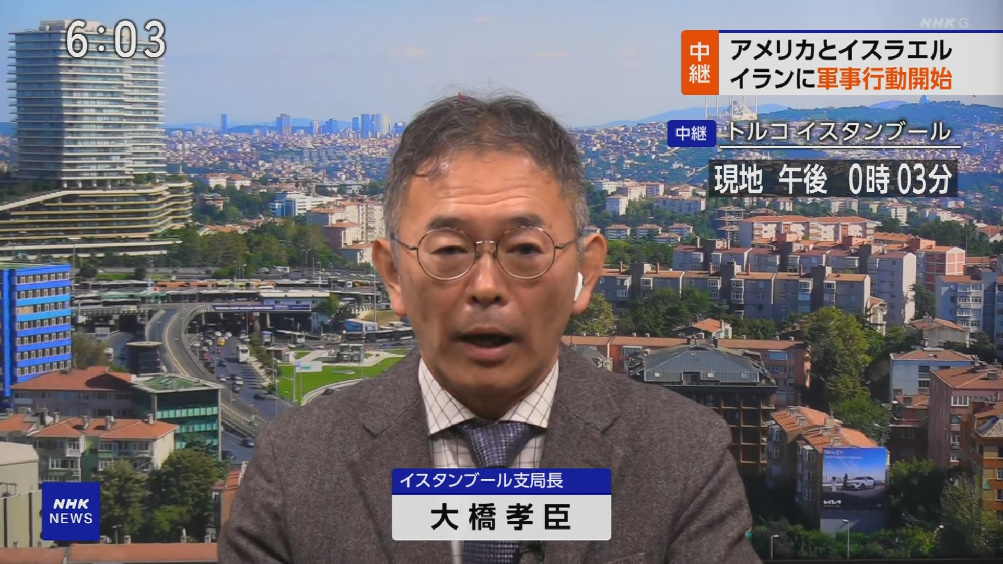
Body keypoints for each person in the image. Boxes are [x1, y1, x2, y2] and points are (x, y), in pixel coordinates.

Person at [219, 94, 760, 564]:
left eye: (524, 249)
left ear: (585, 273)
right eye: (448, 250)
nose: (485, 286)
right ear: (393, 275)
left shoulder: (680, 452)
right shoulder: (296, 462)